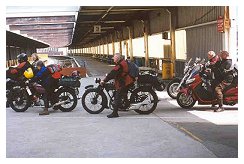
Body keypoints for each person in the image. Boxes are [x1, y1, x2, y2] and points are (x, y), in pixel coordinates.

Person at [100, 53, 135, 118]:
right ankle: (125, 105)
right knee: (122, 94)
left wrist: (104, 80)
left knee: (117, 96)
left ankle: (115, 113)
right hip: (127, 81)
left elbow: (113, 73)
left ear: (117, 58)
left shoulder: (120, 65)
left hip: (125, 82)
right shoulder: (121, 62)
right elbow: (116, 73)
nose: (113, 58)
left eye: (114, 57)